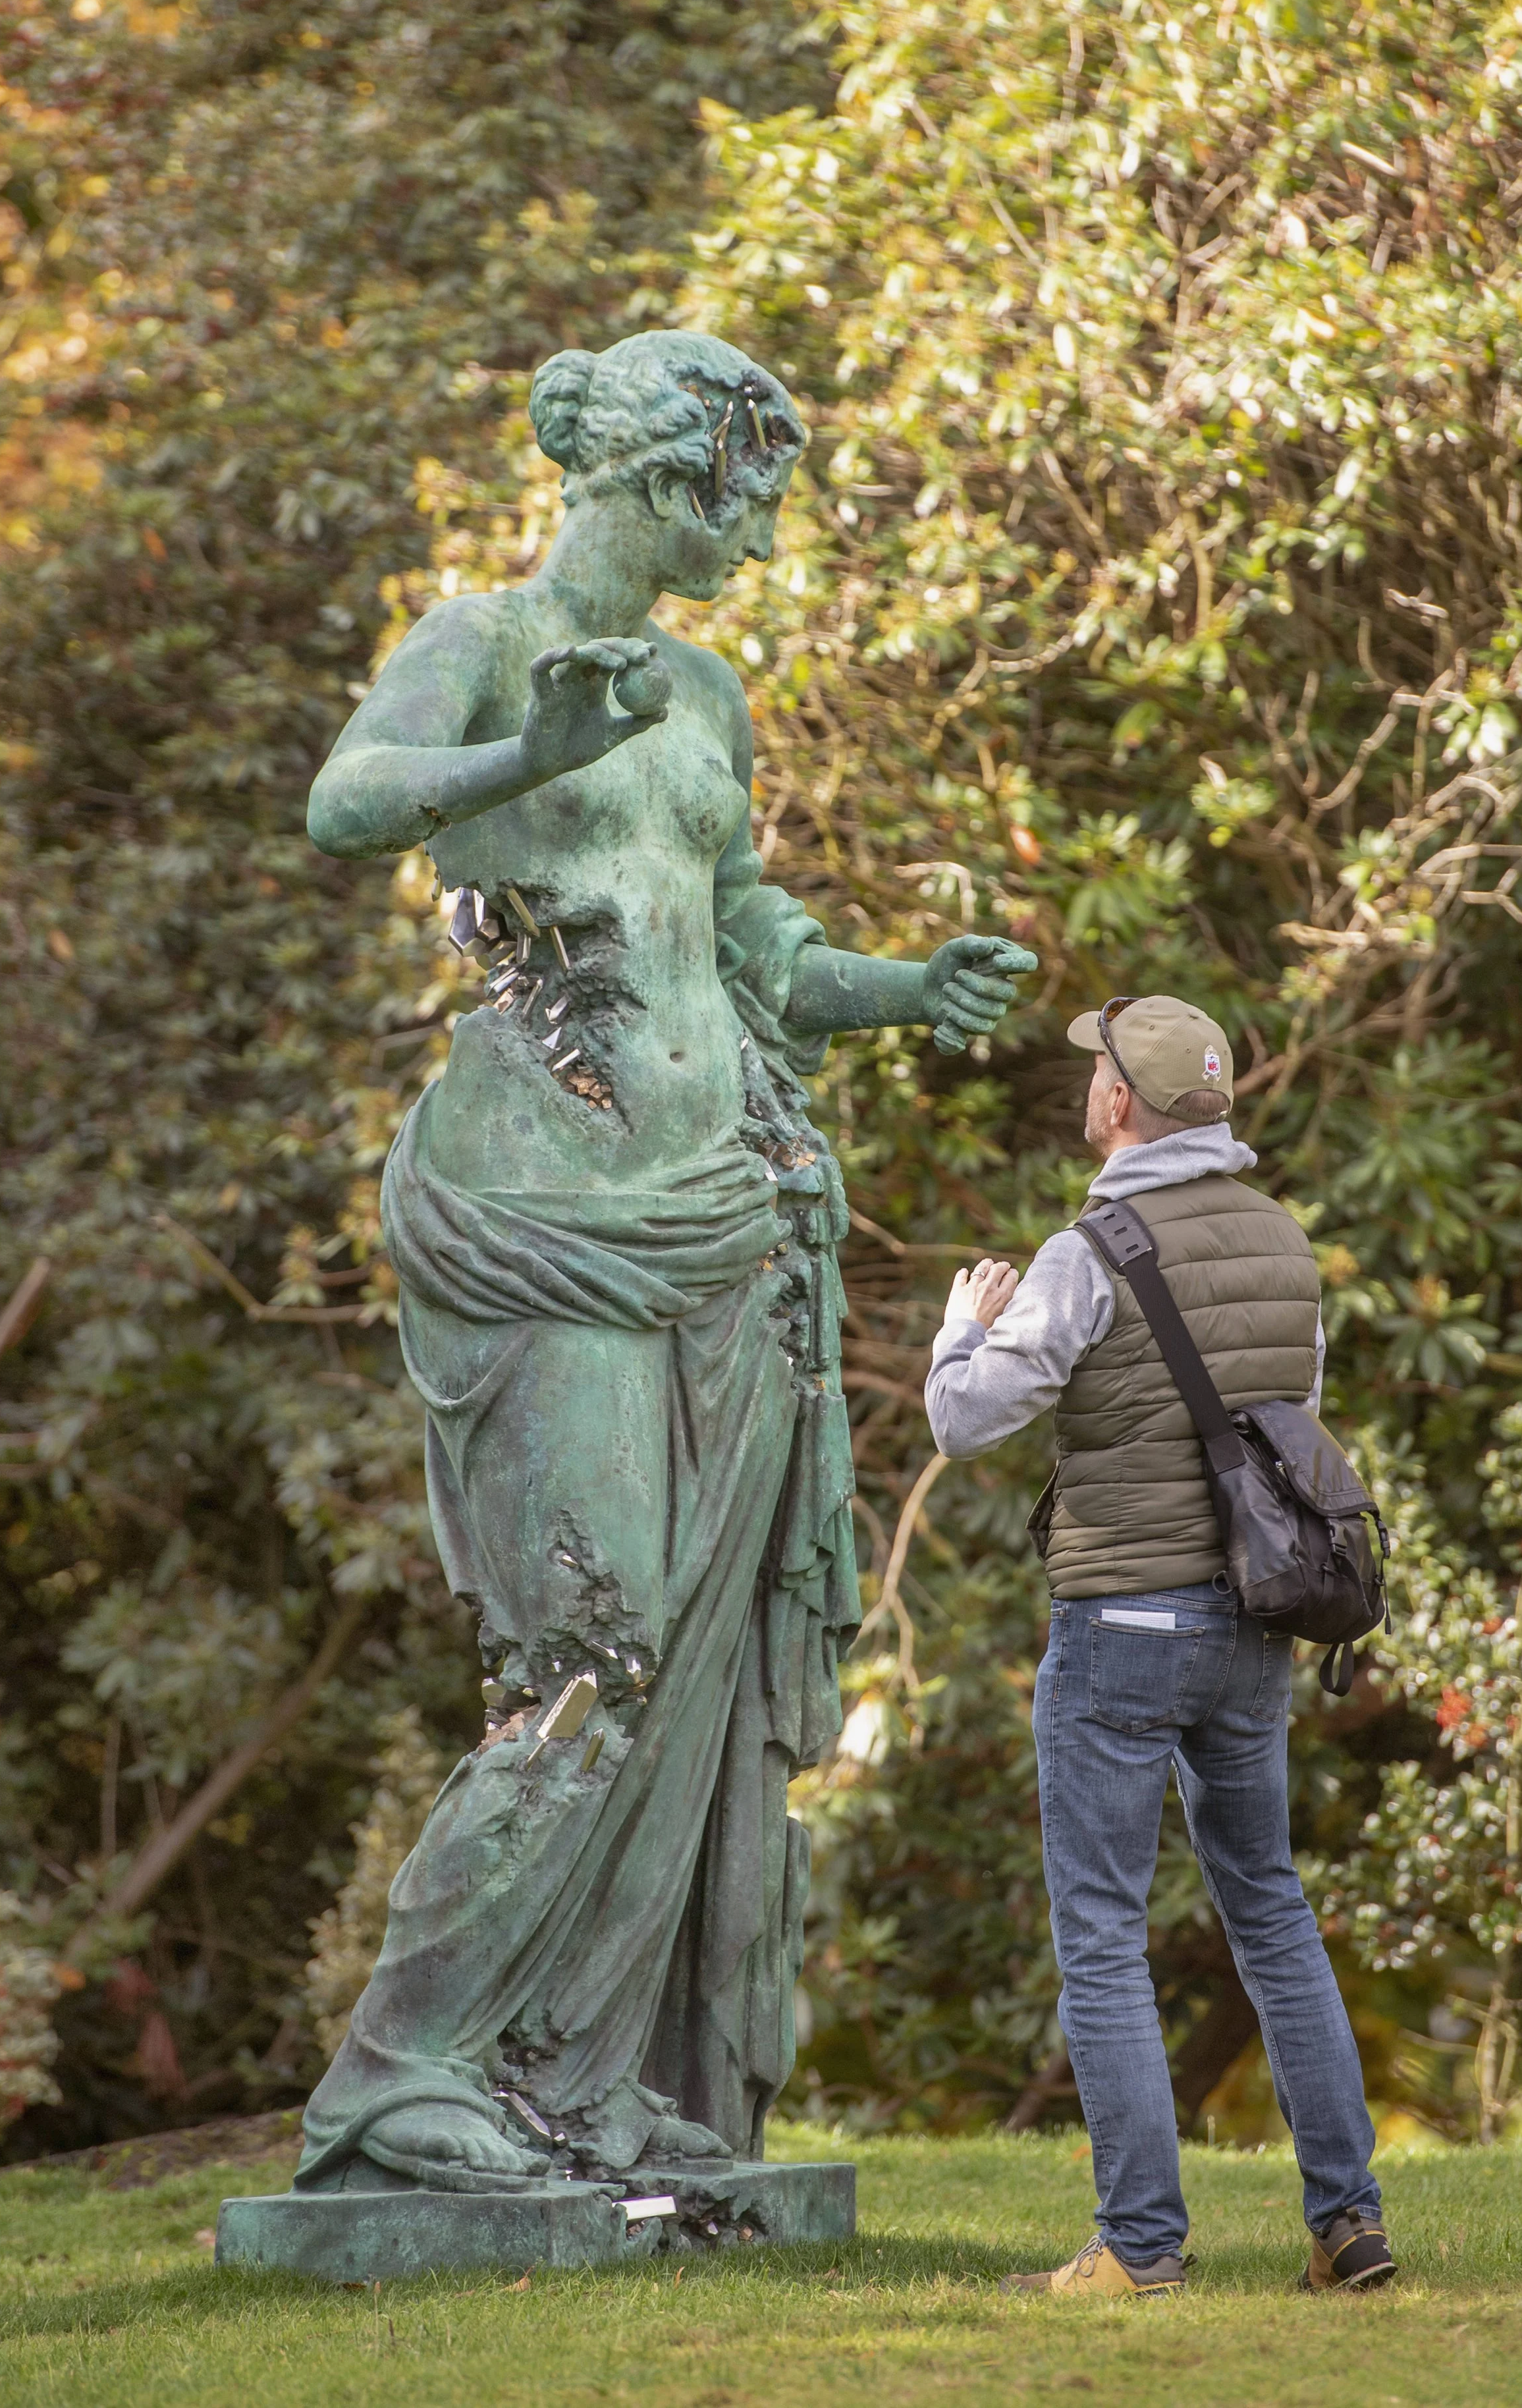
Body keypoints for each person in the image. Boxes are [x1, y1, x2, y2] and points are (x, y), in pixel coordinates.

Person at [294, 327, 1034, 2194]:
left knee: (680, 1669)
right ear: (652, 472)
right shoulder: (482, 634)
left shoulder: (706, 686)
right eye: (750, 493)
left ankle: (575, 2074)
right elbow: (345, 799)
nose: (766, 537)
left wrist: (893, 986)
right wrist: (530, 746)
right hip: (543, 1211)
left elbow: (749, 932)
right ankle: (396, 2074)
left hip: (723, 1206)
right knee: (590, 1637)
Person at [925, 995, 1394, 2299]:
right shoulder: (1284, 1244)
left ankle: (1137, 2247)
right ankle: (1344, 2224)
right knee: (1269, 1909)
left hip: (1121, 1628)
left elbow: (965, 1420)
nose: (1086, 1089)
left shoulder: (1088, 1250)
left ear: (1120, 1105)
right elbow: (1285, 1430)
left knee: (1099, 1930)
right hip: (1252, 1627)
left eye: (1095, 1074)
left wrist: (966, 1324)